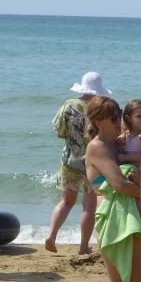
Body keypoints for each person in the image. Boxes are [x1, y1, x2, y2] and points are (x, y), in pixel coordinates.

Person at [82, 97, 141, 282]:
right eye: (112, 117)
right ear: (98, 120)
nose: (117, 120)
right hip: (112, 217)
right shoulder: (97, 147)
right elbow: (119, 185)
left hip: (135, 214)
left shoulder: (120, 143)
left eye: (119, 114)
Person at [45, 72, 110, 254]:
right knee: (89, 206)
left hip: (70, 160)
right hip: (94, 162)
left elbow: (60, 133)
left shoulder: (69, 105)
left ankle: (51, 235)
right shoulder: (102, 108)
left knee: (66, 202)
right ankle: (83, 247)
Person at [118, 99, 141, 165]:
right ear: (129, 119)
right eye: (139, 116)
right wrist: (120, 146)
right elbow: (119, 153)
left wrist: (125, 157)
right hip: (128, 168)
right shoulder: (125, 136)